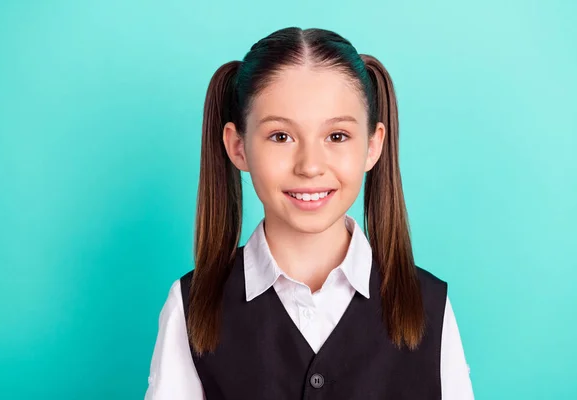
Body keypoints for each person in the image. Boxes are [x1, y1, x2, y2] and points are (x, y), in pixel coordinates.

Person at [145, 26, 474, 399]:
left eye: (336, 136)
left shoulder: (430, 305)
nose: (310, 166)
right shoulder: (191, 308)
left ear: (372, 145)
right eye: (280, 136)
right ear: (238, 148)